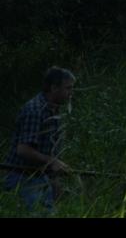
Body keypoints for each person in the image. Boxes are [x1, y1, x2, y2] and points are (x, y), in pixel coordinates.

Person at [3, 66, 75, 211]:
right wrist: (52, 161)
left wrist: (54, 180)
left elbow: (47, 150)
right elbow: (23, 150)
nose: (71, 93)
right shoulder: (35, 110)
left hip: (39, 177)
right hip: (21, 177)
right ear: (54, 88)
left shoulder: (53, 110)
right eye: (68, 88)